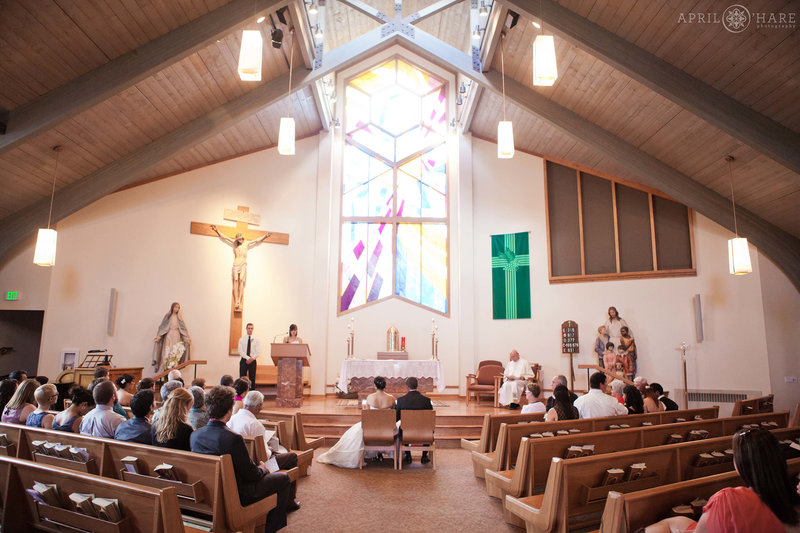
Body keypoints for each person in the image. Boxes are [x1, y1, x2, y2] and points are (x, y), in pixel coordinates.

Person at [645, 428, 800, 533]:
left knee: (664, 525)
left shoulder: (728, 500)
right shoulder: (792, 502)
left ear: (741, 464)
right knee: (677, 521)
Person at [191, 386, 293, 533]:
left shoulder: (195, 435)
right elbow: (251, 475)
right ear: (229, 411)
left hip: (210, 490)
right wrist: (263, 469)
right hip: (239, 493)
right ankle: (272, 529)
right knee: (283, 478)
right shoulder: (233, 438)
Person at [228, 390, 300, 506]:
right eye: (261, 405)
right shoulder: (255, 424)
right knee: (291, 457)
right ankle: (289, 501)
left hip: (238, 467)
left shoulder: (232, 418)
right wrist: (269, 450)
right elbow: (263, 456)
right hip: (258, 466)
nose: (262, 408)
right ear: (257, 406)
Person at [318, 376, 396, 469]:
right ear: (385, 386)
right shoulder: (391, 398)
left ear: (375, 386)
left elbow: (367, 414)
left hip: (371, 428)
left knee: (354, 433)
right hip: (387, 429)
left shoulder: (370, 397)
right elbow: (393, 412)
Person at [210, 225, 273, 310]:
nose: (240, 240)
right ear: (237, 239)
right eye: (239, 239)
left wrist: (265, 236)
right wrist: (217, 230)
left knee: (241, 280)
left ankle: (239, 299)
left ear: (243, 238)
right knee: (235, 280)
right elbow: (225, 237)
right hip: (236, 263)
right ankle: (236, 300)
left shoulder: (246, 243)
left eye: (241, 239)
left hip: (243, 263)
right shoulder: (235, 244)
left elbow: (256, 240)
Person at [395, 376, 433, 464]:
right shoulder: (426, 400)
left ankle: (408, 456)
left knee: (402, 427)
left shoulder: (401, 400)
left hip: (406, 433)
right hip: (424, 433)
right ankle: (424, 456)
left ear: (407, 387)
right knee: (428, 427)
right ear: (417, 386)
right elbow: (430, 418)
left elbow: (396, 418)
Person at [152, 302, 191, 372]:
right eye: (176, 307)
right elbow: (162, 327)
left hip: (176, 335)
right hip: (169, 335)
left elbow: (183, 329)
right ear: (172, 307)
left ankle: (174, 369)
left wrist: (186, 338)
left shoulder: (179, 318)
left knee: (175, 352)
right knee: (167, 351)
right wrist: (159, 336)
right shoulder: (168, 316)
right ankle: (166, 369)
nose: (177, 309)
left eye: (178, 307)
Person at [238, 323, 260, 388]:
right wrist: (248, 358)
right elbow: (240, 351)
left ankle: (251, 394)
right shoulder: (242, 339)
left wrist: (251, 359)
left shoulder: (256, 339)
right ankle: (240, 394)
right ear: (246, 329)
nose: (250, 330)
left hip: (253, 361)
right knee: (242, 379)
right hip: (244, 360)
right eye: (249, 328)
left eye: (251, 328)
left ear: (253, 329)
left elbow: (257, 352)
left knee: (252, 379)